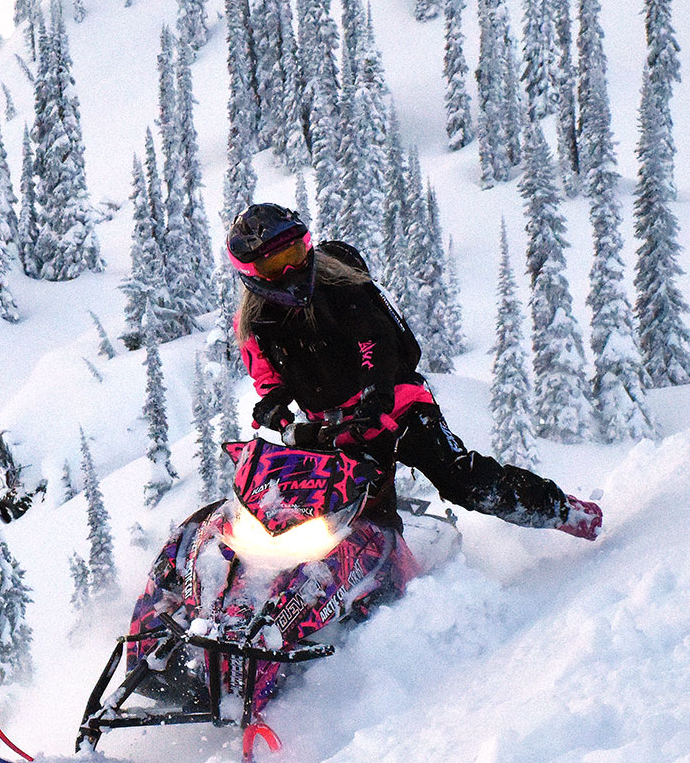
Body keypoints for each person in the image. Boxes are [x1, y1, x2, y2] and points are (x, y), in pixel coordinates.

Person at [225, 202, 603, 540]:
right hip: (333, 430)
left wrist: (376, 390)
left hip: (398, 407)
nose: (290, 268)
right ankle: (383, 581)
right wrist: (274, 403)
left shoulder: (340, 287)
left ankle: (561, 510)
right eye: (275, 263)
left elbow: (374, 340)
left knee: (462, 481)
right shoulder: (253, 322)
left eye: (294, 253)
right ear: (252, 272)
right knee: (348, 518)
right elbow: (266, 373)